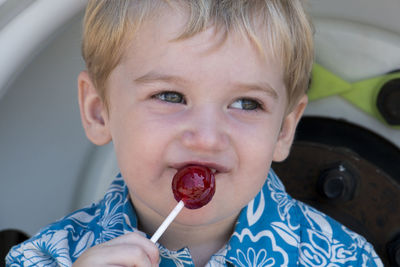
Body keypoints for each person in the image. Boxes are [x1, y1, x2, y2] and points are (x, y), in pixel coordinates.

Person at [6, 0, 383, 266]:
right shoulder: (43, 258)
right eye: (170, 96)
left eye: (246, 103)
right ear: (98, 111)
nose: (206, 136)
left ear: (284, 129)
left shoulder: (346, 258)